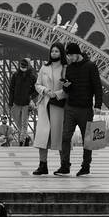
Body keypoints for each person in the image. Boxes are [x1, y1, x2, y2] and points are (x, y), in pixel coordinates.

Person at [55, 43, 103, 179]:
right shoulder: (69, 68)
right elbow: (68, 89)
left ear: (77, 53)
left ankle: (85, 166)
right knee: (65, 137)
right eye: (67, 56)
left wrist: (98, 105)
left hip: (85, 109)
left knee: (87, 140)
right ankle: (65, 166)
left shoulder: (91, 66)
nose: (68, 58)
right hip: (70, 107)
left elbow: (97, 87)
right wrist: (66, 85)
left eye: (70, 55)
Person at [32, 44, 67, 176]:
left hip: (58, 106)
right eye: (52, 51)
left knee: (60, 136)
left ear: (61, 53)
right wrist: (45, 90)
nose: (53, 53)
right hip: (45, 104)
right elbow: (37, 84)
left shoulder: (65, 69)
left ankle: (64, 165)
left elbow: (70, 87)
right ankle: (42, 165)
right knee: (42, 136)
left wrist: (57, 94)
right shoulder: (44, 68)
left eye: (56, 51)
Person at [9, 59, 37, 146]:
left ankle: (22, 141)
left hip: (26, 103)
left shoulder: (32, 77)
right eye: (21, 66)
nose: (23, 68)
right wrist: (10, 102)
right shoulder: (15, 75)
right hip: (16, 102)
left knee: (24, 123)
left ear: (28, 66)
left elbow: (36, 90)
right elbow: (11, 89)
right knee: (17, 121)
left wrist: (31, 98)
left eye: (24, 67)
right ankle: (26, 137)